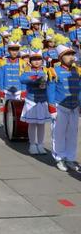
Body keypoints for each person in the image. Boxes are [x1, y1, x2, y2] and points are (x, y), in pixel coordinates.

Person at [47, 35, 81, 172]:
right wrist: (52, 108)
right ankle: (59, 158)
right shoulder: (54, 71)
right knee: (59, 134)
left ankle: (70, 158)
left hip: (74, 107)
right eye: (68, 55)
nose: (71, 57)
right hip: (60, 107)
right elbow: (51, 91)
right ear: (61, 57)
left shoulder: (77, 71)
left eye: (72, 54)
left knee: (73, 134)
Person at [20, 38, 50, 155]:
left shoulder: (46, 70)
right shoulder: (27, 70)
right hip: (31, 100)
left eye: (39, 59)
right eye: (34, 59)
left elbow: (52, 82)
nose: (37, 62)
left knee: (41, 124)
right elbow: (22, 79)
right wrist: (35, 79)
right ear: (30, 61)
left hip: (42, 100)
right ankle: (32, 144)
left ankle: (41, 144)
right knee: (32, 124)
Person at [0, 29, 26, 103]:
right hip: (6, 91)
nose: (14, 52)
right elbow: (1, 78)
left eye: (16, 50)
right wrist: (1, 90)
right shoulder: (3, 62)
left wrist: (23, 91)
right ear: (8, 50)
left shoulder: (22, 62)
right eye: (12, 50)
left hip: (18, 91)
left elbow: (24, 79)